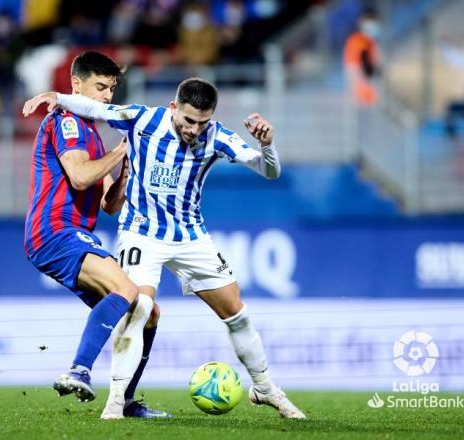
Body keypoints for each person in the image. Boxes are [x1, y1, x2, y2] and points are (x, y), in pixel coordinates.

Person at [22, 77, 307, 419]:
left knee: (237, 313)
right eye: (188, 121)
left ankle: (264, 389)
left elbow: (269, 171)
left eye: (202, 122)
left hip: (190, 236)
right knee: (139, 306)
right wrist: (59, 97)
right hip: (142, 232)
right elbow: (95, 107)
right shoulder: (145, 119)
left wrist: (268, 145)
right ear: (174, 108)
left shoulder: (217, 135)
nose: (194, 130)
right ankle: (116, 402)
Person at [24, 51, 169, 419]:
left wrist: (123, 173)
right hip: (55, 230)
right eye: (100, 87)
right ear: (76, 85)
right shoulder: (67, 120)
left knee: (146, 312)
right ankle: (78, 369)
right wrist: (120, 150)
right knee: (127, 290)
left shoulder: (91, 132)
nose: (107, 97)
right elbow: (80, 176)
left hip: (72, 234)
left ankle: (126, 401)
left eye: (111, 89)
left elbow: (108, 204)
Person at [343, 9, 381, 107]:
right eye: (370, 21)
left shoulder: (371, 42)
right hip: (361, 82)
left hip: (367, 87)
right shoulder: (357, 40)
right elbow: (362, 61)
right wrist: (370, 71)